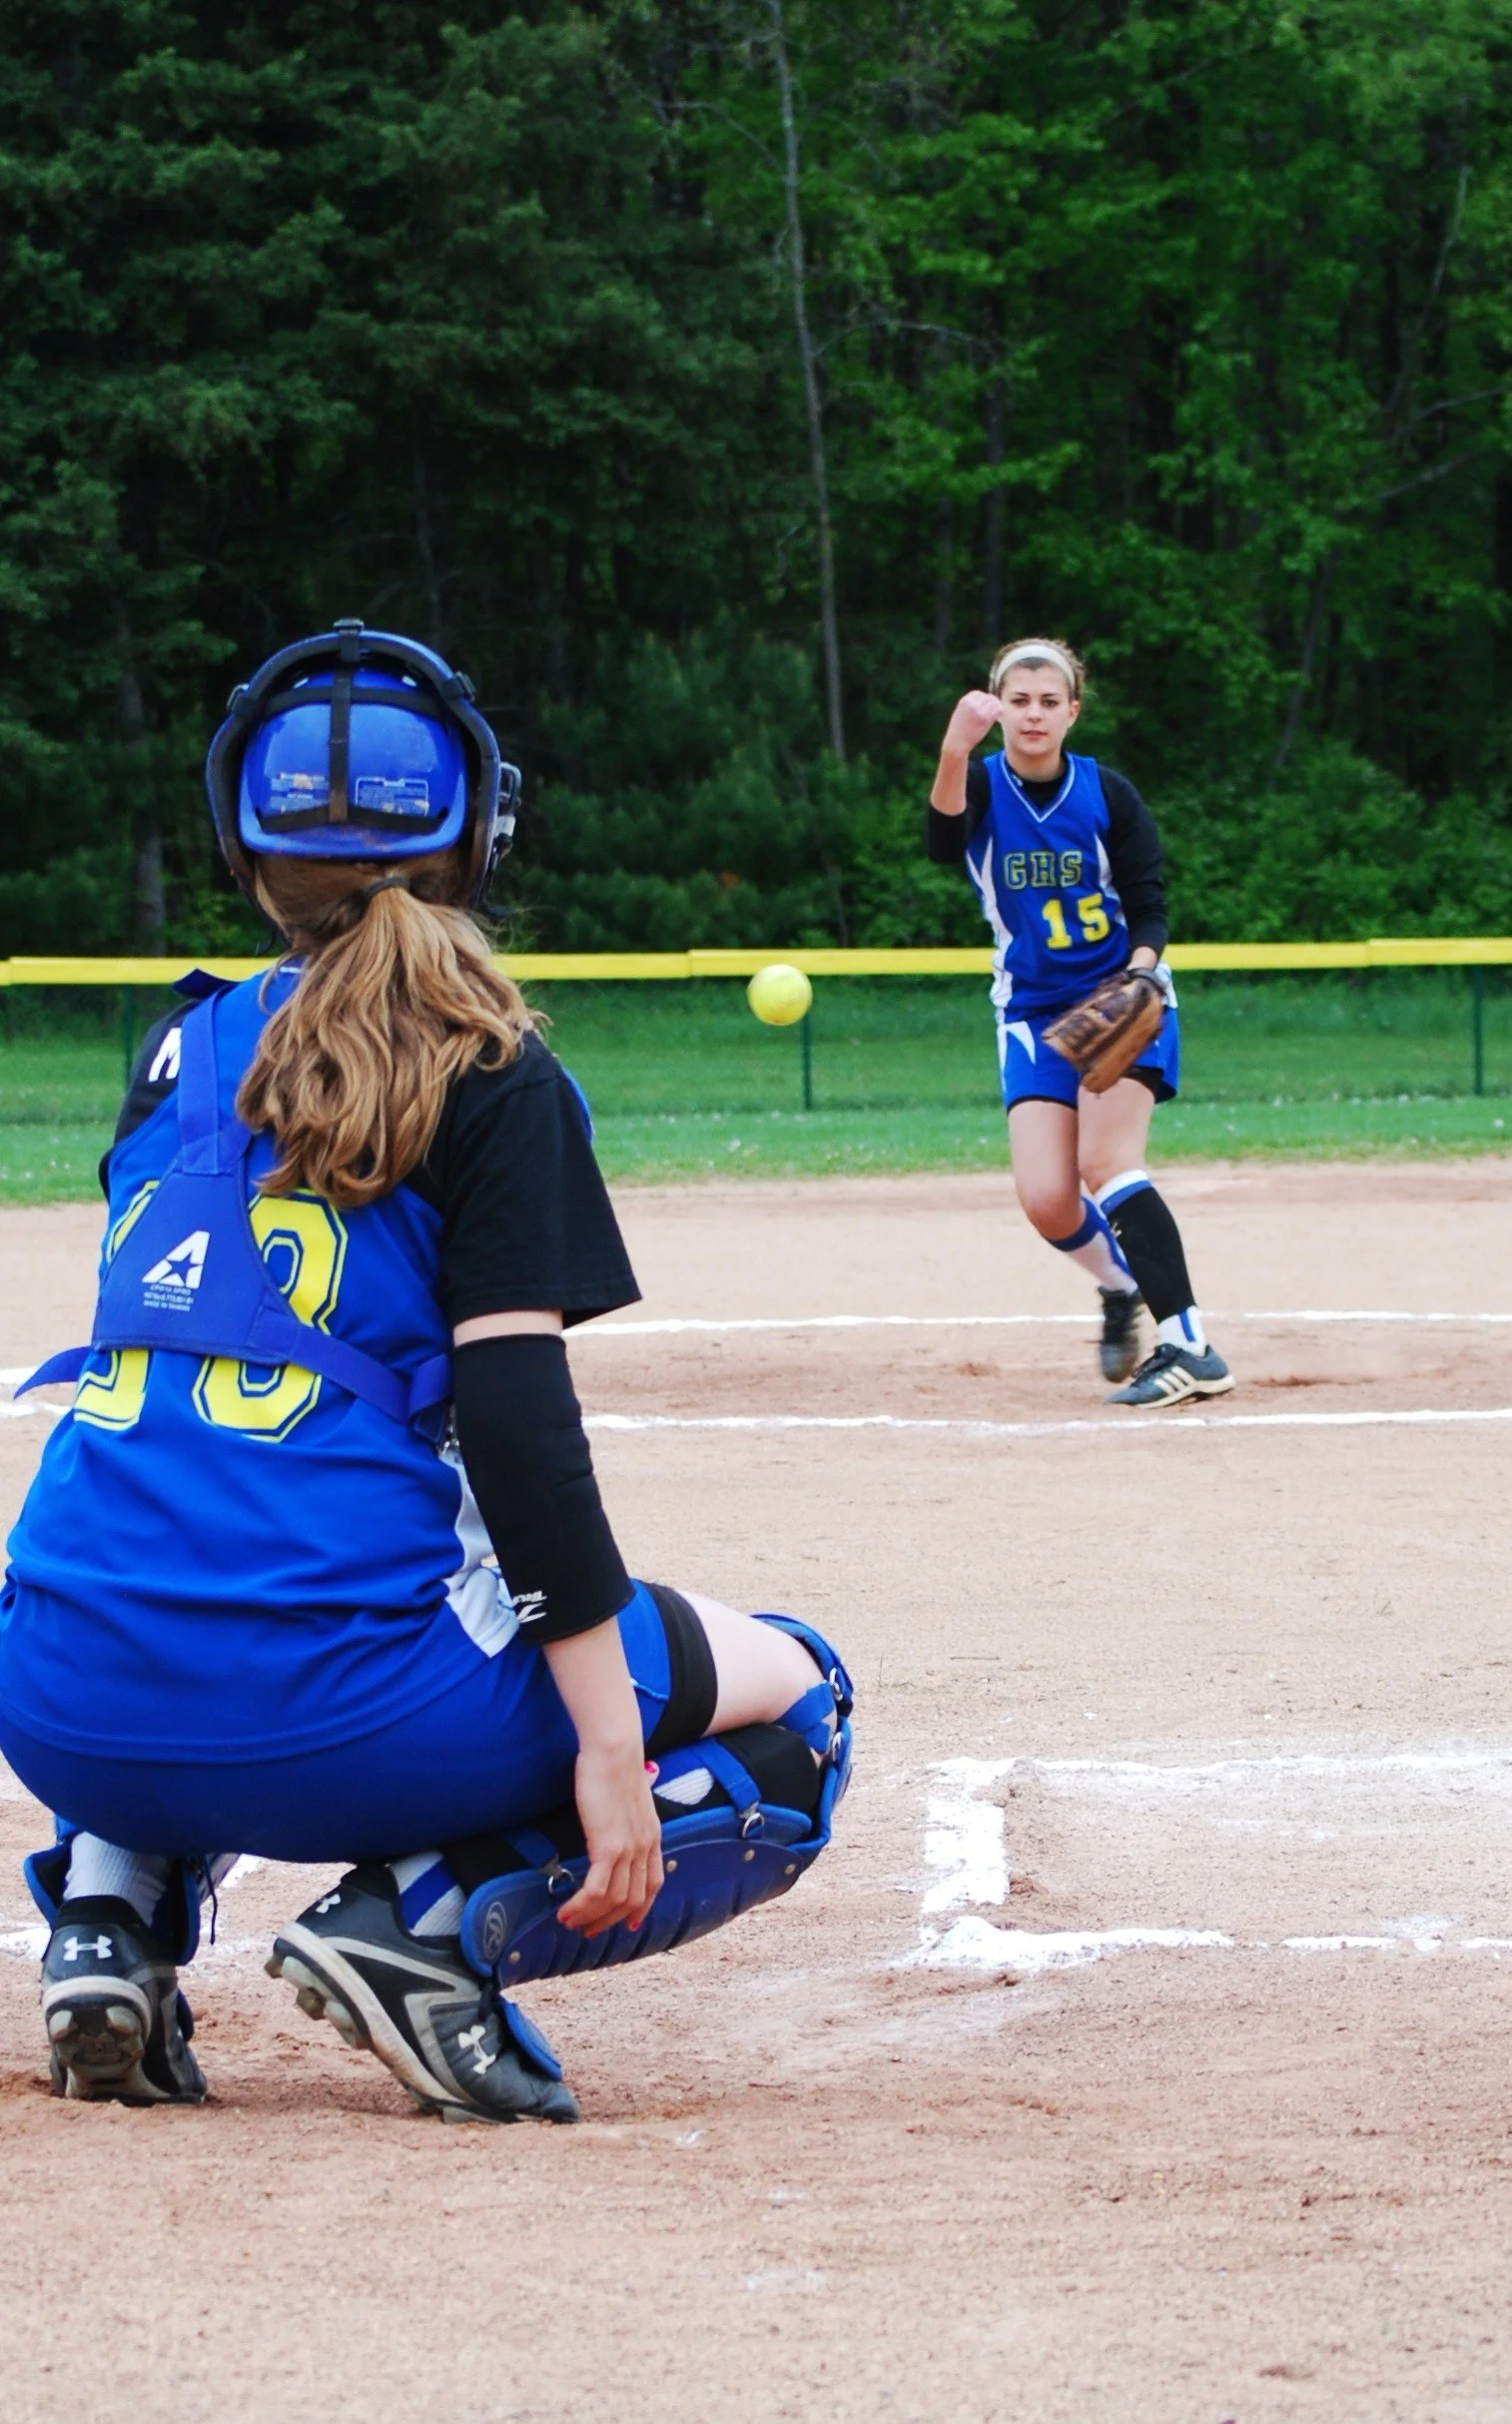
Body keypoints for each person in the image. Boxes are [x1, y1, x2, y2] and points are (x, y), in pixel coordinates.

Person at [0, 622, 851, 2121]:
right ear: (477, 836)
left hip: (55, 1693)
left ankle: (110, 1913)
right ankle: (427, 1918)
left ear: (241, 847)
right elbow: (519, 1431)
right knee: (803, 1696)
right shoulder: (496, 1063)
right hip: (346, 1710)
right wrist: (603, 1738)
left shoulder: (175, 1043)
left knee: (180, 1525)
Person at [928, 636, 1231, 1407]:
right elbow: (940, 845)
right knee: (1048, 1198)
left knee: (1107, 1158)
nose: (1034, 714)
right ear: (997, 708)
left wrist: (1140, 970)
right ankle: (1125, 1285)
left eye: (1049, 701)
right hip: (1031, 1009)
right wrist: (954, 749)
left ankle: (1191, 1346)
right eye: (1019, 700)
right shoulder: (983, 786)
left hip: (1118, 994)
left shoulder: (1107, 792)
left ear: (1073, 711)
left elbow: (1150, 896)